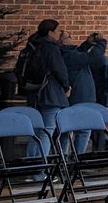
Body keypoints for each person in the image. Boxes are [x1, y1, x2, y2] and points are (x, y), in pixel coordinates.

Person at [14, 19, 69, 157]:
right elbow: (60, 70)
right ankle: (40, 170)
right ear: (50, 32)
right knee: (47, 131)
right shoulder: (50, 48)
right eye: (57, 31)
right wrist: (66, 86)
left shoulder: (31, 47)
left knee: (36, 132)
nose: (59, 34)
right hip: (50, 94)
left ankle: (31, 166)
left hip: (33, 93)